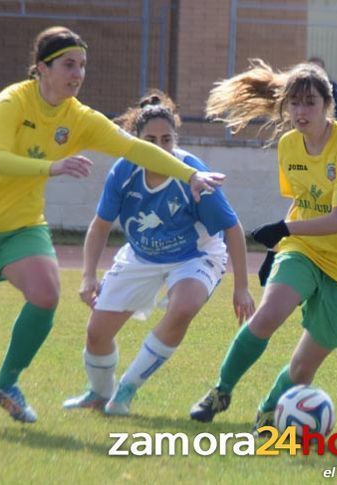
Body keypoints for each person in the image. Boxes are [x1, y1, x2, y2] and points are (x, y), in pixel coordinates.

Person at [0, 26, 225, 423]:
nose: (78, 73)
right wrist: (53, 166)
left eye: (83, 65)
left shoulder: (79, 118)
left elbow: (135, 147)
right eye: (69, 64)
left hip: (21, 226)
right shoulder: (12, 101)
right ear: (42, 69)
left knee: (46, 294)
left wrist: (188, 175)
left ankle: (5, 383)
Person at [189, 59, 337, 433]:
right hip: (306, 249)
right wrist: (281, 246)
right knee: (266, 316)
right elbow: (303, 200)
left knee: (303, 367)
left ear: (328, 106)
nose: (300, 111)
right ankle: (219, 392)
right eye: (293, 103)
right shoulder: (290, 145)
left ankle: (267, 411)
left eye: (309, 102)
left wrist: (282, 228)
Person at [62, 90, 255, 416]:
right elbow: (99, 226)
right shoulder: (124, 172)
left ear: (174, 140)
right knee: (97, 334)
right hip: (141, 255)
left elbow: (233, 229)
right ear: (135, 141)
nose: (159, 147)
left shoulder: (193, 173)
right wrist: (87, 276)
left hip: (195, 255)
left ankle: (125, 391)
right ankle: (98, 393)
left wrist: (241, 287)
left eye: (166, 139)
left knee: (184, 305)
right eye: (149, 140)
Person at [308, 57, 337, 122]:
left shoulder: (333, 87)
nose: (315, 73)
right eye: (312, 70)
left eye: (318, 69)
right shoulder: (301, 88)